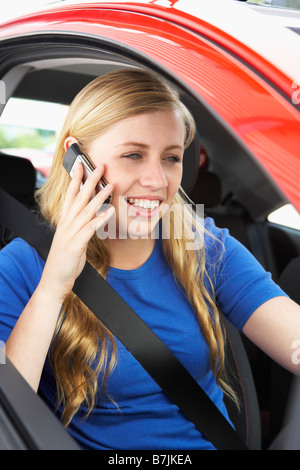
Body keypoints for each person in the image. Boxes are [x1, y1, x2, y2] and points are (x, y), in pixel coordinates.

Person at [0, 68, 299, 450]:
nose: (157, 180)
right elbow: (6, 415)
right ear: (76, 159)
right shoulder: (22, 266)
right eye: (133, 155)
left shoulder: (204, 247)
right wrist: (53, 288)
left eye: (171, 158)